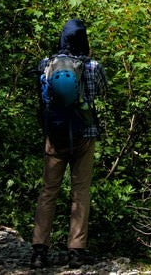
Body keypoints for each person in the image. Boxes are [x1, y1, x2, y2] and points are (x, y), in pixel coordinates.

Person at [30, 18, 107, 269]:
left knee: (48, 190)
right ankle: (76, 251)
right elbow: (102, 93)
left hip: (55, 135)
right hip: (85, 134)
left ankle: (39, 250)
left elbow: (42, 99)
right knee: (80, 191)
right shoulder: (93, 66)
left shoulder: (46, 64)